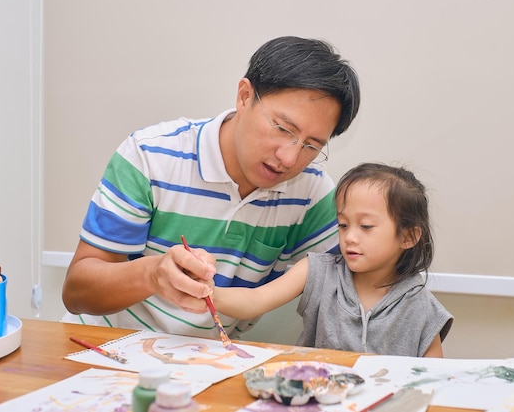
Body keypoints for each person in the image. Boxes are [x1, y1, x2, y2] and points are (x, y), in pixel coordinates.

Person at [61, 36, 361, 338]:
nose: (289, 158)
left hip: (205, 363)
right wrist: (152, 274)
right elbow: (76, 292)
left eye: (311, 145)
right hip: (101, 350)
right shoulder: (151, 155)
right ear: (244, 96)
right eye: (283, 129)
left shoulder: (310, 192)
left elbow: (350, 285)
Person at [212, 163, 453, 357]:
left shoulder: (422, 307)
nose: (349, 237)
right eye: (343, 224)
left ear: (408, 236)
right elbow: (255, 299)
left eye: (366, 226)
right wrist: (209, 293)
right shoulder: (316, 270)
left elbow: (431, 379)